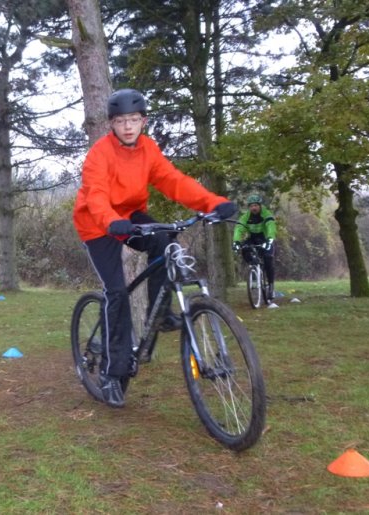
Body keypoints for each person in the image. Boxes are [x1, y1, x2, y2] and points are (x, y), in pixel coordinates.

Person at [72, 88, 238, 408]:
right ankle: (111, 373)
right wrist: (109, 221)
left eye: (134, 119)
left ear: (143, 121)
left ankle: (158, 314)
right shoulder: (99, 154)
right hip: (97, 224)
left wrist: (213, 203)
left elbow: (173, 181)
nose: (128, 126)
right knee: (117, 292)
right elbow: (95, 194)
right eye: (121, 121)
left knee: (164, 241)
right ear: (112, 125)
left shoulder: (148, 149)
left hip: (129, 216)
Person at [232, 194, 278, 305]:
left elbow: (271, 226)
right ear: (249, 207)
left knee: (268, 259)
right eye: (251, 206)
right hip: (253, 238)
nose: (254, 208)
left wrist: (270, 239)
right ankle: (254, 269)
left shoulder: (266, 214)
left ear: (260, 206)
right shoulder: (246, 217)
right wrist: (236, 241)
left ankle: (271, 286)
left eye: (256, 205)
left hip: (265, 238)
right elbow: (239, 228)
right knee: (245, 249)